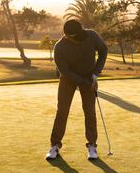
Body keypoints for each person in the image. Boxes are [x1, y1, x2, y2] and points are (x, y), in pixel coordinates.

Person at [46, 20, 108, 161]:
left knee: (90, 111)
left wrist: (95, 74)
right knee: (62, 111)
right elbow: (65, 71)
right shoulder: (59, 47)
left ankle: (92, 145)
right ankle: (54, 145)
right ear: (67, 36)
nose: (80, 39)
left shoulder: (91, 35)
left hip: (89, 76)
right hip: (68, 79)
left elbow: (103, 50)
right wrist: (84, 82)